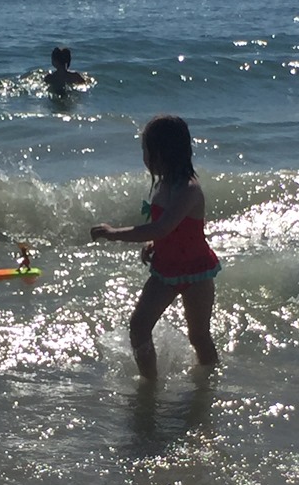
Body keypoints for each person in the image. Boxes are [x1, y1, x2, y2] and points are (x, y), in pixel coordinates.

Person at [90, 115, 221, 380]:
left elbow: (162, 227)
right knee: (139, 326)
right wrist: (153, 243)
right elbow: (165, 229)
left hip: (197, 273)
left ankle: (210, 382)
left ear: (164, 152)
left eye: (146, 150)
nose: (145, 157)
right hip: (165, 270)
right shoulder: (163, 185)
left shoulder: (189, 190)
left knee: (198, 335)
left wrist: (115, 234)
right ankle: (149, 383)